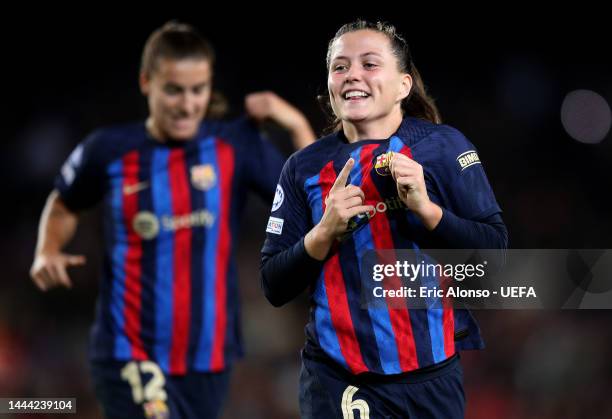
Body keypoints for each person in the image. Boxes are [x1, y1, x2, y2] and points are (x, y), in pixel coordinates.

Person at [30, 21, 315, 419]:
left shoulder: (234, 146)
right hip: (129, 350)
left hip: (209, 357)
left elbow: (312, 198)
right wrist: (47, 249)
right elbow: (64, 203)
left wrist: (295, 123)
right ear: (147, 82)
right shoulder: (107, 150)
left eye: (197, 90)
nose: (187, 104)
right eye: (174, 90)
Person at [260, 19, 508, 418]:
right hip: (340, 380)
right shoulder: (303, 167)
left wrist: (428, 212)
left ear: (403, 85)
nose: (352, 74)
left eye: (369, 64)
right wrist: (323, 233)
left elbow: (495, 256)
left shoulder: (443, 147)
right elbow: (273, 283)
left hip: (433, 378)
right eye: (340, 66)